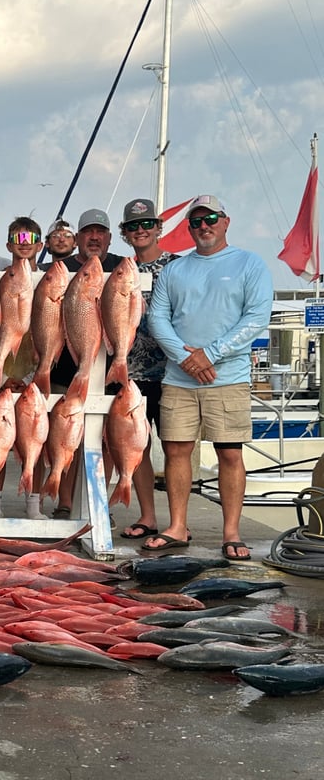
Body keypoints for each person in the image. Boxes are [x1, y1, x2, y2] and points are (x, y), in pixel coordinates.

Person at [145, 194, 273, 559]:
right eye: (197, 221)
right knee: (176, 451)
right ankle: (177, 526)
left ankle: (231, 532)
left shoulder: (250, 263)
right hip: (179, 377)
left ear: (226, 220)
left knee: (229, 454)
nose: (204, 226)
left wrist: (209, 354)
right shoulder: (174, 269)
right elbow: (158, 318)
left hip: (228, 378)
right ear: (189, 228)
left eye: (211, 218)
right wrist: (186, 359)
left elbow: (255, 319)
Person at [50, 208, 123, 518]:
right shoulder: (59, 268)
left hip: (110, 365)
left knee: (104, 438)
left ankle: (97, 502)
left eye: (100, 232)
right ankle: (64, 501)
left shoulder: (122, 268)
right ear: (78, 237)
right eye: (88, 232)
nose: (94, 237)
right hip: (64, 364)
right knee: (65, 434)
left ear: (109, 236)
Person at [117, 198, 180, 540]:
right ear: (124, 233)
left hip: (173, 374)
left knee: (174, 448)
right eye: (132, 226)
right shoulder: (120, 270)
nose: (140, 231)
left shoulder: (177, 267)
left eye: (146, 224)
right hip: (130, 375)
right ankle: (148, 517)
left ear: (158, 227)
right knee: (136, 448)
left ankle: (177, 521)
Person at [0, 216, 48, 521]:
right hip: (2, 368)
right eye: (19, 240)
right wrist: (0, 371)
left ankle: (34, 505)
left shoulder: (51, 280)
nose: (25, 246)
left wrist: (35, 374)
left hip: (38, 369)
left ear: (40, 245)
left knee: (36, 440)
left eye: (30, 240)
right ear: (8, 245)